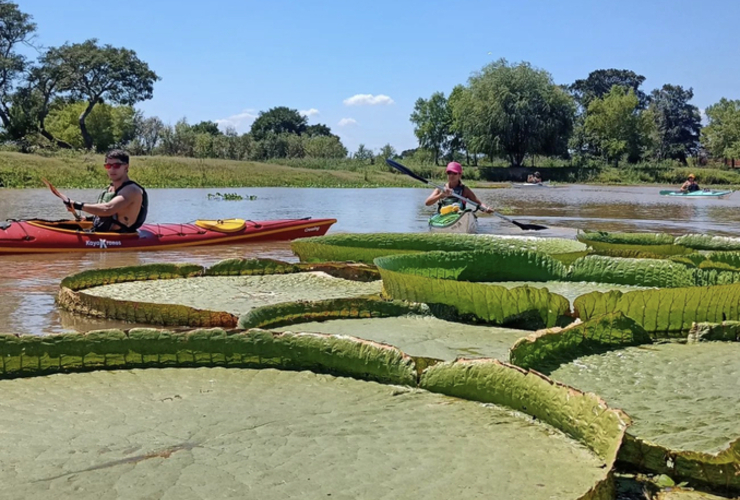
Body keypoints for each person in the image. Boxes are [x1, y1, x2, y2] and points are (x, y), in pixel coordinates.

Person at [61, 149, 148, 233]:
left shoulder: (131, 190)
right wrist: (88, 219)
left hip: (120, 236)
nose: (112, 169)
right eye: (108, 166)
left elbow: (108, 209)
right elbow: (109, 215)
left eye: (116, 165)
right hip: (103, 232)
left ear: (126, 167)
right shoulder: (109, 188)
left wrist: (77, 205)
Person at [425, 161, 493, 213]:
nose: (451, 175)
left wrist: (486, 208)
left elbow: (479, 203)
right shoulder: (440, 189)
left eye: (454, 173)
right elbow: (427, 203)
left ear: (460, 175)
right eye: (449, 173)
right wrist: (440, 195)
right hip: (444, 216)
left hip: (459, 215)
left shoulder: (465, 190)